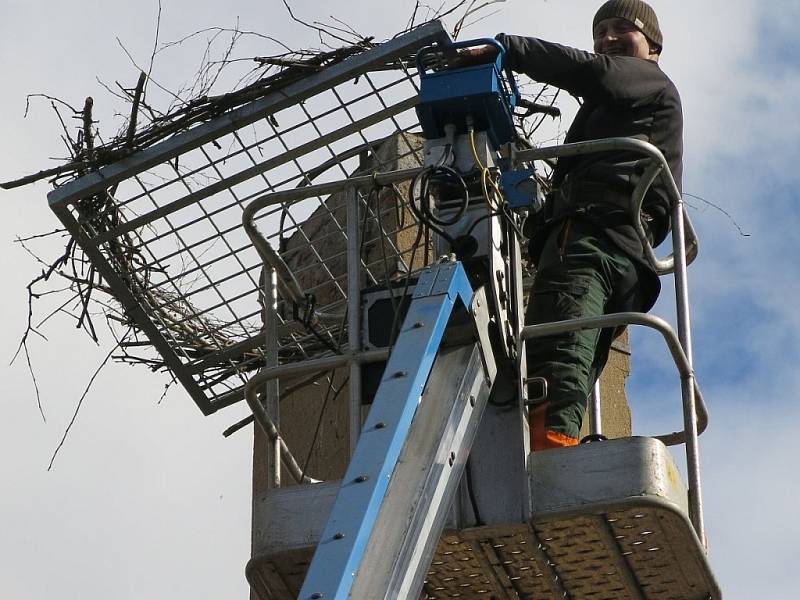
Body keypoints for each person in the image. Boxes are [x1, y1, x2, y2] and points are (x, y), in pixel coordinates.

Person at [456, 0, 683, 449]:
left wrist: (509, 49)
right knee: (574, 348)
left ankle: (550, 446)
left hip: (594, 239)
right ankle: (555, 438)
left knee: (561, 341)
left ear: (653, 47)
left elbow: (597, 73)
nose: (608, 39)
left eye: (623, 29)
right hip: (624, 253)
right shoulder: (618, 110)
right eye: (600, 32)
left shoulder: (648, 81)